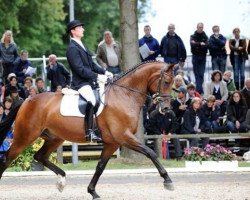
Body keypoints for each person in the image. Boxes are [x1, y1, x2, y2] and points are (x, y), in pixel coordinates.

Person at [66, 19, 112, 142]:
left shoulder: (82, 45)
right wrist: (97, 77)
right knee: (91, 100)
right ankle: (89, 132)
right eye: (80, 28)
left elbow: (91, 64)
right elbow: (80, 69)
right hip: (80, 83)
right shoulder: (72, 48)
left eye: (82, 27)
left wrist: (104, 72)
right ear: (73, 31)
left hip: (89, 81)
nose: (83, 29)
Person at [190, 22, 209, 94]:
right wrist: (201, 44)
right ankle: (199, 90)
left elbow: (207, 46)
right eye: (199, 27)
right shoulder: (192, 36)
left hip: (203, 57)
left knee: (201, 74)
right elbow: (193, 45)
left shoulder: (205, 36)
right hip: (195, 57)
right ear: (197, 27)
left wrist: (197, 44)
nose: (201, 28)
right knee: (197, 74)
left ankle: (198, 90)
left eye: (202, 27)